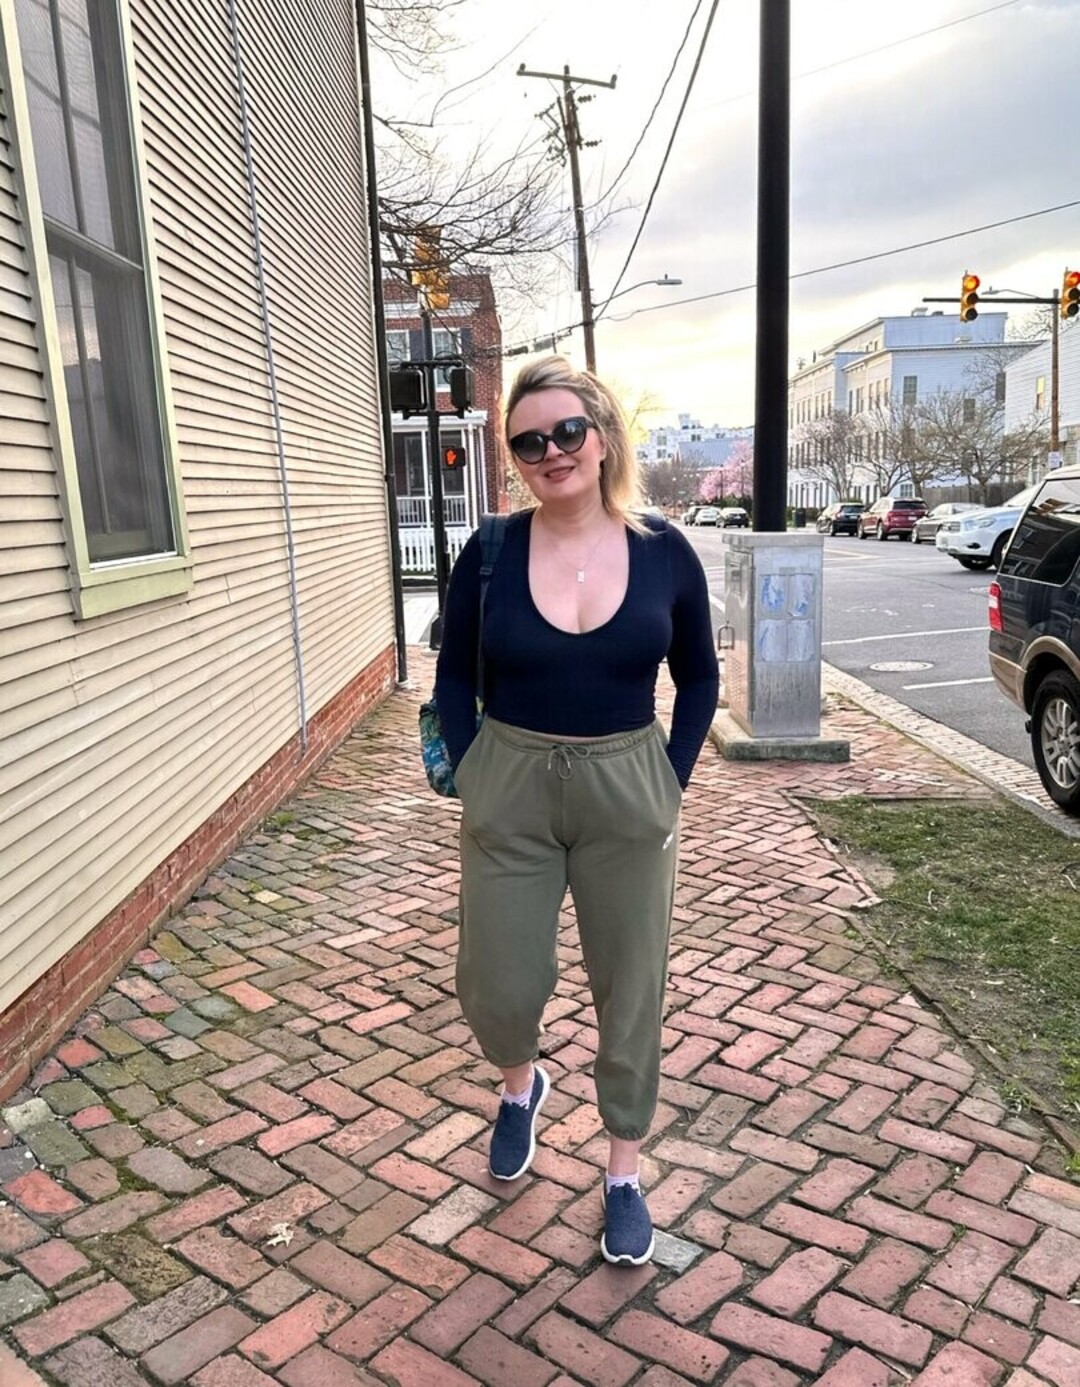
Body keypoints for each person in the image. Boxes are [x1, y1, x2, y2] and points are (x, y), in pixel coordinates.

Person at [433, 357, 719, 1266]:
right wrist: (476, 770)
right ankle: (521, 1084)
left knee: (630, 987)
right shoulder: (489, 552)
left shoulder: (665, 551)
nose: (550, 452)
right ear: (515, 457)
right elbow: (452, 677)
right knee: (497, 980)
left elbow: (700, 676)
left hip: (627, 785)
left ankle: (623, 1168)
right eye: (528, 441)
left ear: (602, 438)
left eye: (566, 431)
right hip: (510, 781)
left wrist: (669, 776)